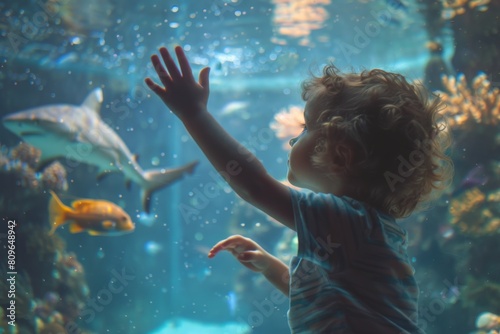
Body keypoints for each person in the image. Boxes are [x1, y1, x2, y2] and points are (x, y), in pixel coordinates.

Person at [145, 46, 453, 333]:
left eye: (306, 128)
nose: (294, 140)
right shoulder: (373, 233)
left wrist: (194, 115)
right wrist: (270, 266)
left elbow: (254, 185)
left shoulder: (349, 221)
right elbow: (325, 299)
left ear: (339, 155)